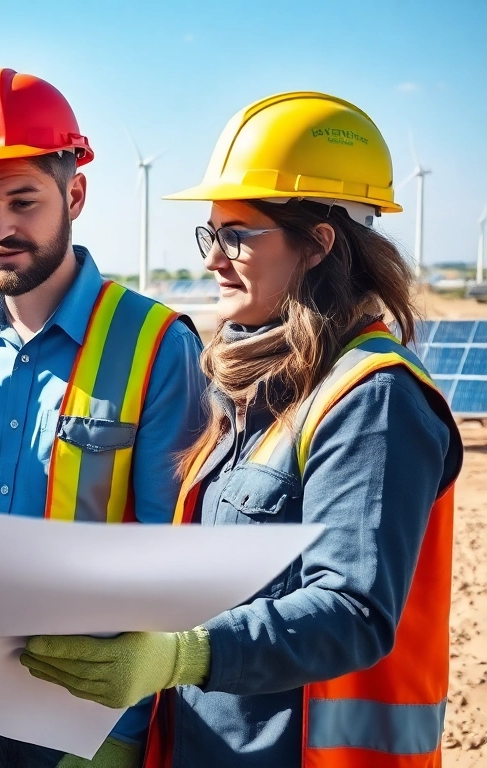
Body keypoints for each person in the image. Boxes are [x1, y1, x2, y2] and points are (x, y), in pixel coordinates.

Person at [23, 91, 462, 768]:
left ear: (319, 244)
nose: (212, 258)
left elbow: (351, 610)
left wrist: (182, 654)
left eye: (237, 234)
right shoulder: (257, 389)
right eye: (212, 233)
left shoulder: (373, 398)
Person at [0, 68, 208, 768]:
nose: (0, 227)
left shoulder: (159, 346)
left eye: (23, 200)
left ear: (74, 192)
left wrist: (119, 731)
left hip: (91, 718)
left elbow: (171, 554)